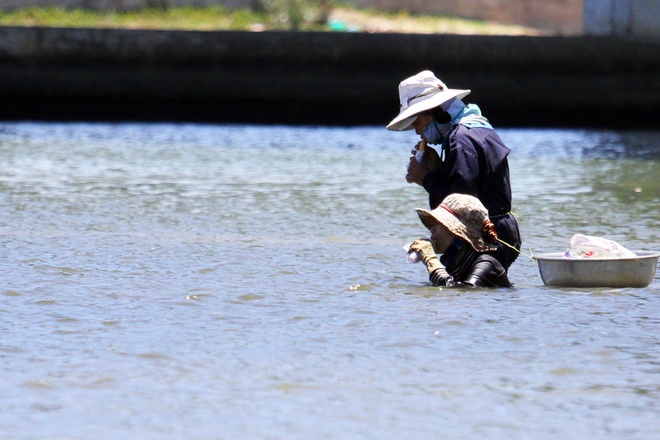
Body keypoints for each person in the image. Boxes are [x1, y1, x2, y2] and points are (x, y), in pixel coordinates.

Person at [387, 70, 522, 270]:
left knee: (465, 289)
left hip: (486, 235)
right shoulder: (476, 126)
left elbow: (462, 207)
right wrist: (439, 169)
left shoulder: (460, 140)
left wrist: (425, 178)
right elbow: (475, 185)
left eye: (417, 122)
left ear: (435, 111)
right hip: (501, 229)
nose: (417, 131)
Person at [408, 193, 510, 288]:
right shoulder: (455, 265)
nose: (432, 229)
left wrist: (430, 260)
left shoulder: (486, 264)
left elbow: (458, 291)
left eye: (439, 223)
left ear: (459, 234)